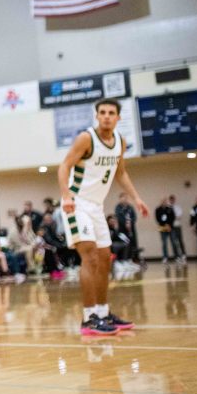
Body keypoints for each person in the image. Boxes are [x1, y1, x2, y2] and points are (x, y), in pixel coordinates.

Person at [59, 100, 149, 336]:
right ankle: (88, 319)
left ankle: (102, 312)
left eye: (111, 113)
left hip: (96, 207)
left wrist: (137, 198)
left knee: (104, 259)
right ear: (96, 116)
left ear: (118, 118)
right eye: (102, 113)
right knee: (88, 255)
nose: (106, 117)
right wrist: (66, 196)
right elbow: (64, 166)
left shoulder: (120, 141)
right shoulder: (86, 139)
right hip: (76, 203)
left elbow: (121, 173)